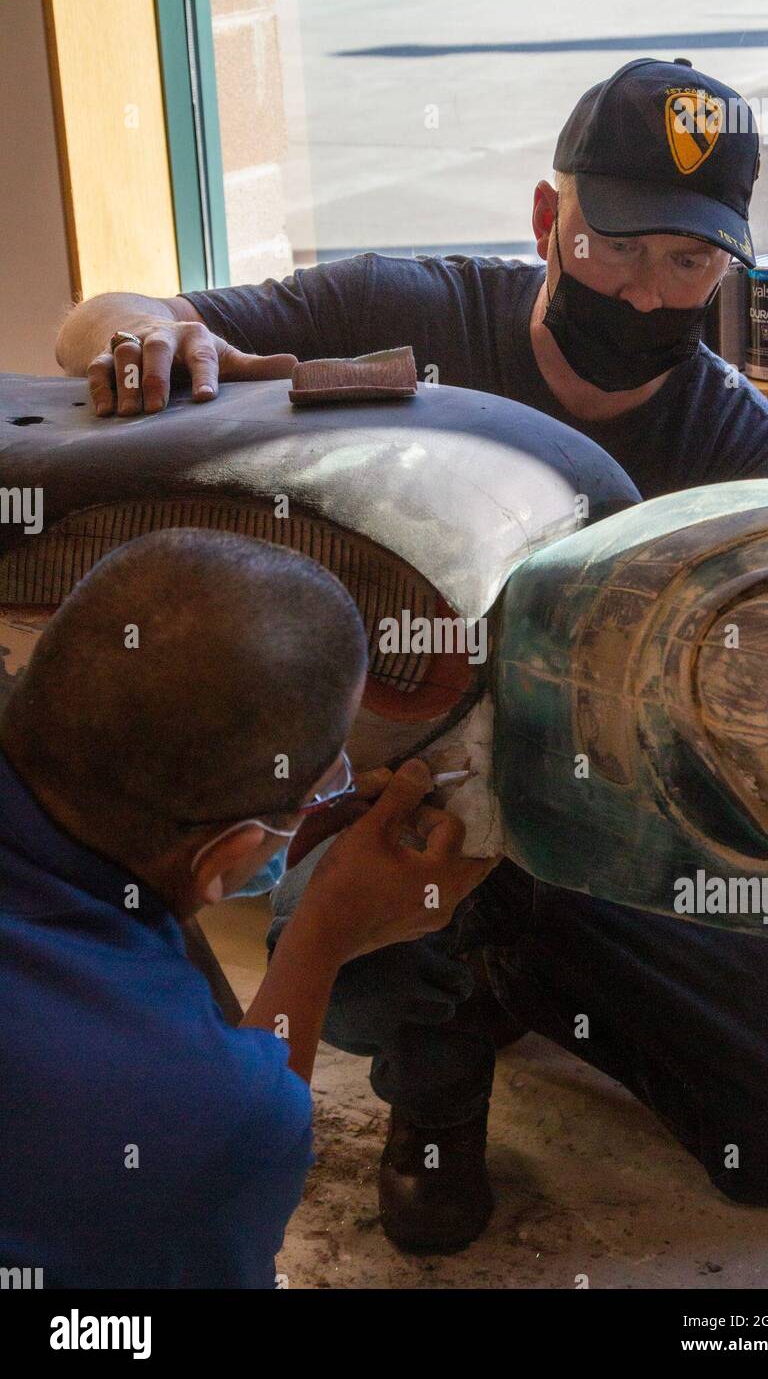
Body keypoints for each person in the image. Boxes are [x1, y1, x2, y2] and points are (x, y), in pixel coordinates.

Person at [55, 57, 768, 1254]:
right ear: (548, 220)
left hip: (599, 835)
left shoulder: (728, 436)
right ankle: (433, 1077)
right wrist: (142, 344)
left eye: (688, 262)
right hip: (383, 797)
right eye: (616, 247)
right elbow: (101, 318)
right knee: (372, 985)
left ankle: (518, 978)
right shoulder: (402, 310)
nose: (647, 296)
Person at [0, 529, 495, 1286]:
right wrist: (322, 934)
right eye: (316, 788)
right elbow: (238, 1129)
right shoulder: (194, 1115)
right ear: (229, 856)